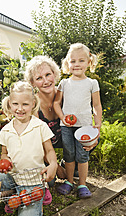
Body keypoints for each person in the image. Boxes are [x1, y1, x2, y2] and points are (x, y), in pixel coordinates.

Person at [0, 81, 58, 216]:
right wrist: (5, 161)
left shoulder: (40, 126)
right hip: (12, 177)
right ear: (10, 104)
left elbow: (50, 151)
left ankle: (39, 192)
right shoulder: (5, 130)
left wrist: (53, 164)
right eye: (15, 104)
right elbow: (4, 153)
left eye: (25, 104)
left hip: (33, 180)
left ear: (33, 104)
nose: (20, 109)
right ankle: (14, 193)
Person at [53, 43, 102, 198]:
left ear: (89, 62)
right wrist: (62, 118)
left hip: (85, 127)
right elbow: (56, 103)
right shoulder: (64, 83)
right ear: (68, 63)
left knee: (82, 156)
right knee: (69, 154)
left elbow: (97, 105)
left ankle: (82, 184)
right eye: (73, 61)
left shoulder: (92, 83)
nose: (76, 64)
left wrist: (97, 125)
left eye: (81, 60)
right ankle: (69, 182)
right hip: (67, 126)